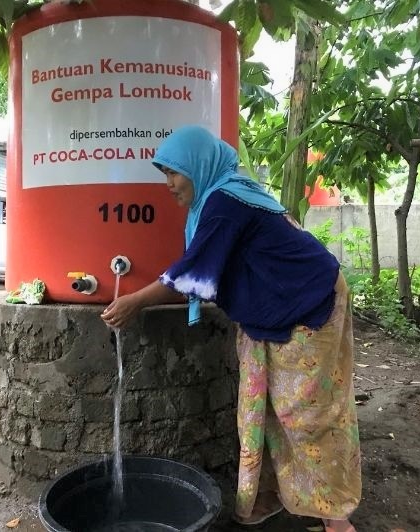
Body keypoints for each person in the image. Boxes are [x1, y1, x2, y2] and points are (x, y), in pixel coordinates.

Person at [100, 126, 362, 532]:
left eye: (174, 172)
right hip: (271, 308)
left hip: (306, 302)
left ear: (198, 165)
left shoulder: (225, 201)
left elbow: (194, 275)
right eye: (164, 174)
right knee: (263, 410)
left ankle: (335, 515)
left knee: (307, 412)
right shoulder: (223, 196)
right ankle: (275, 498)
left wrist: (135, 300)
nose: (168, 185)